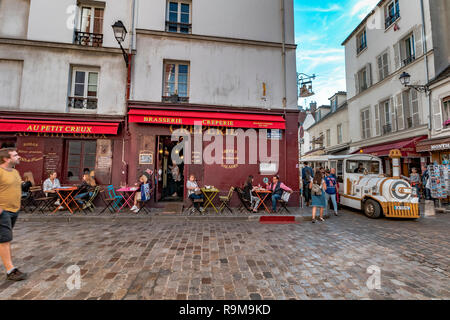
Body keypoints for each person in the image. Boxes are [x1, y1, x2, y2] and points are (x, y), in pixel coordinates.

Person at [0, 148, 27, 281]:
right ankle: (11, 270)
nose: (19, 156)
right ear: (6, 159)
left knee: (4, 239)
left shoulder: (15, 172)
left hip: (14, 210)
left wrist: (25, 184)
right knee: (5, 239)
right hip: (2, 210)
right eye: (15, 155)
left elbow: (18, 186)